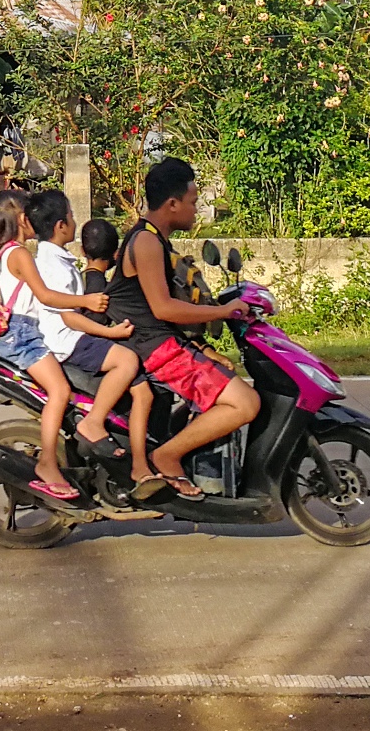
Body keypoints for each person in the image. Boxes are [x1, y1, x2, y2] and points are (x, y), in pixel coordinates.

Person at [108, 156, 260, 502]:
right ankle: (167, 456)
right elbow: (163, 307)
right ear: (172, 203)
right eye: (192, 202)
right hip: (155, 347)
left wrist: (205, 348)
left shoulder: (155, 239)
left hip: (162, 340)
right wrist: (222, 310)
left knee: (226, 379)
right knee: (244, 403)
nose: (195, 210)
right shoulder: (146, 243)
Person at [0, 189, 107, 504]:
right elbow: (45, 296)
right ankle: (48, 465)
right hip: (22, 336)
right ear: (22, 220)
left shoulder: (5, 252)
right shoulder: (20, 253)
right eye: (30, 215)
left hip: (21, 333)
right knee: (60, 392)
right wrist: (85, 300)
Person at [21, 193, 157, 491]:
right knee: (127, 360)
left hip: (69, 338)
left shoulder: (55, 258)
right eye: (71, 216)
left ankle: (140, 465)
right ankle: (93, 422)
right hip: (67, 342)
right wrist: (111, 334)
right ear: (60, 225)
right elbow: (68, 316)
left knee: (141, 387)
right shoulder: (52, 264)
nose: (73, 221)